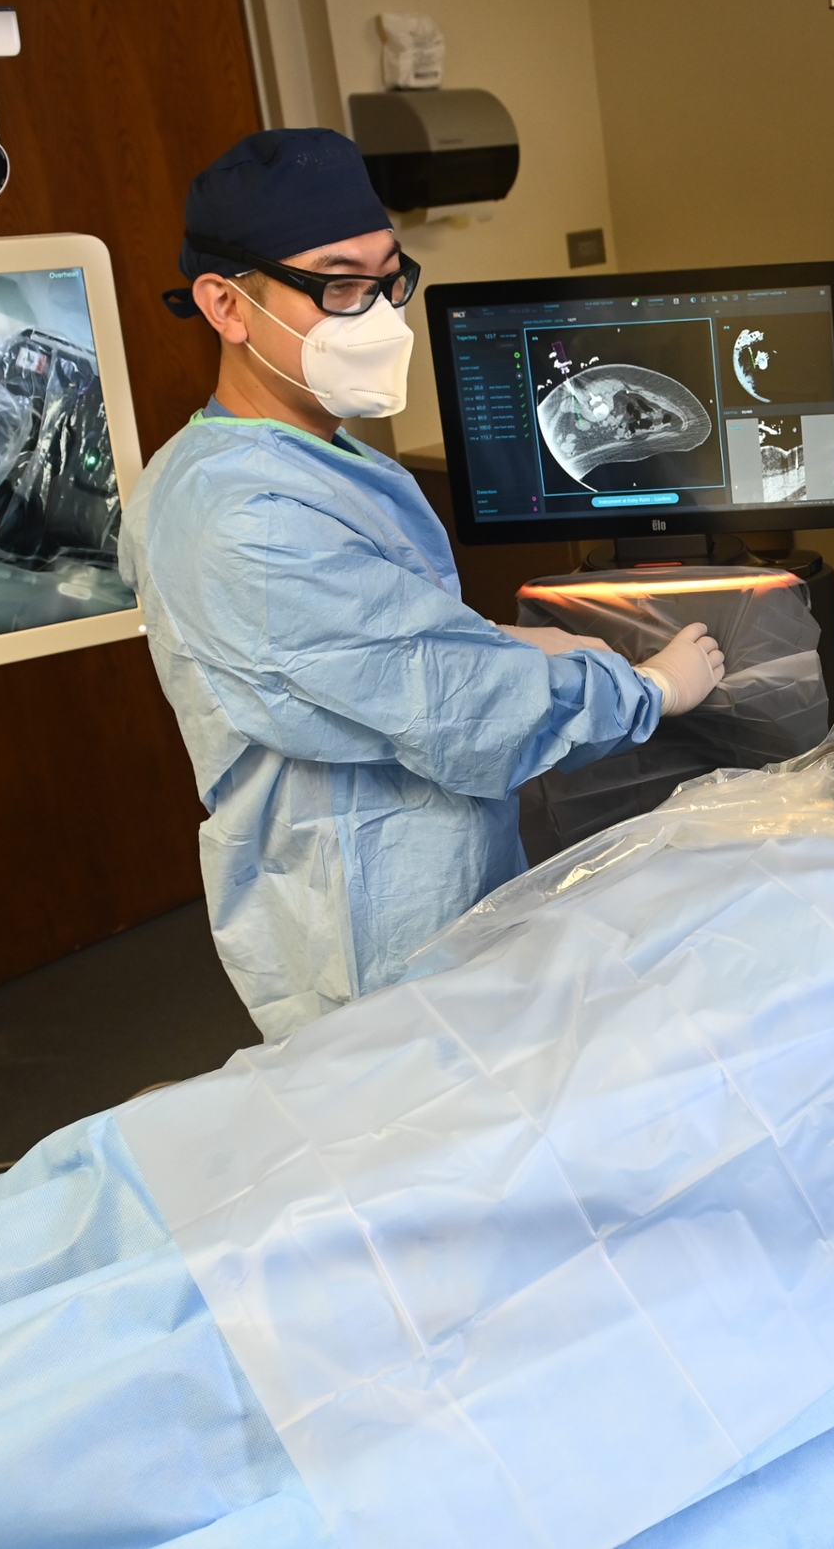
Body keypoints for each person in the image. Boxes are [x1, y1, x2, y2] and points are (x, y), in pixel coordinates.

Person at [123, 129, 726, 1040]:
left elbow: (389, 635)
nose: (379, 315)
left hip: (430, 870)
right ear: (226, 305)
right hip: (368, 920)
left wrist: (506, 637)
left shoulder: (317, 459)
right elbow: (452, 700)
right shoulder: (240, 512)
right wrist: (644, 691)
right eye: (337, 285)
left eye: (389, 278)